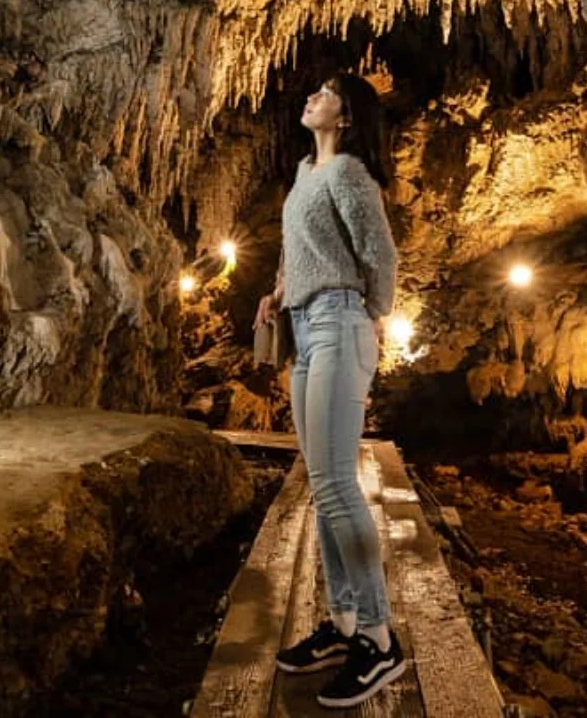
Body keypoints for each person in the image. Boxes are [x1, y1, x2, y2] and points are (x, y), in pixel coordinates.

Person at [254, 73, 406, 708]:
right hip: (304, 327)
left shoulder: (348, 173)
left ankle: (379, 636)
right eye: (312, 89)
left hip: (340, 322)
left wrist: (365, 310)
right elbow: (301, 252)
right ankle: (343, 624)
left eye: (326, 92)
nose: (312, 96)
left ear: (346, 116)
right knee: (321, 482)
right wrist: (279, 292)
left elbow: (382, 255)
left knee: (339, 482)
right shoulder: (303, 175)